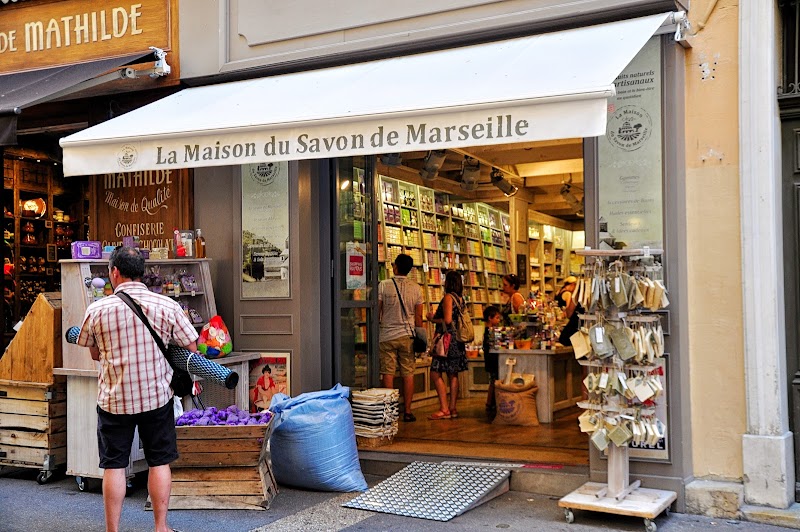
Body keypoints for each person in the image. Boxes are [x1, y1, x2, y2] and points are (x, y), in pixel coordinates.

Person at [75, 246, 198, 532]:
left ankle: (112, 530)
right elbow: (191, 348)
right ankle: (160, 526)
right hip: (156, 396)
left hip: (114, 399)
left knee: (114, 465)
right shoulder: (167, 306)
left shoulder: (97, 309)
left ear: (115, 272)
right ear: (141, 273)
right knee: (159, 461)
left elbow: (94, 354)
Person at [378, 253, 425, 422]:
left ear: (395, 266)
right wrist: (421, 336)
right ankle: (408, 411)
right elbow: (419, 317)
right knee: (408, 373)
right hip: (408, 335)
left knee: (387, 373)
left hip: (387, 335)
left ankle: (389, 411)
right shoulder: (416, 288)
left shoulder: (383, 285)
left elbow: (378, 311)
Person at [426, 270, 469, 420]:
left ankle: (444, 408)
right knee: (453, 374)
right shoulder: (461, 299)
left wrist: (432, 318)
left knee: (435, 372)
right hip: (457, 341)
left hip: (447, 341)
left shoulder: (448, 298)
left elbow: (448, 320)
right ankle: (452, 408)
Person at [482, 305, 502, 415]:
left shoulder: (488, 331)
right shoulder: (490, 332)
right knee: (493, 381)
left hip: (491, 360)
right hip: (492, 360)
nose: (499, 320)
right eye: (497, 318)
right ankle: (489, 403)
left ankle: (490, 403)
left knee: (493, 381)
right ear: (490, 318)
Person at [556, 275, 583, 345]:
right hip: (576, 330)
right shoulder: (570, 294)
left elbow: (569, 313)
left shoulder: (560, 291)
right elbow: (569, 312)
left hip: (572, 330)